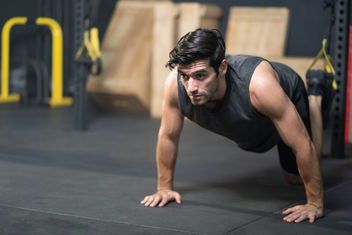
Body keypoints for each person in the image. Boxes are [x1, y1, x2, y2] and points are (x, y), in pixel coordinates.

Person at [141, 28, 330, 223]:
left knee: (298, 176)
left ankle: (315, 96)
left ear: (222, 68)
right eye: (185, 76)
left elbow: (302, 145)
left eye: (200, 76)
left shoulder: (260, 86)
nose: (191, 88)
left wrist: (315, 204)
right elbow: (168, 136)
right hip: (253, 124)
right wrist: (164, 188)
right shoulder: (175, 84)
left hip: (284, 99)